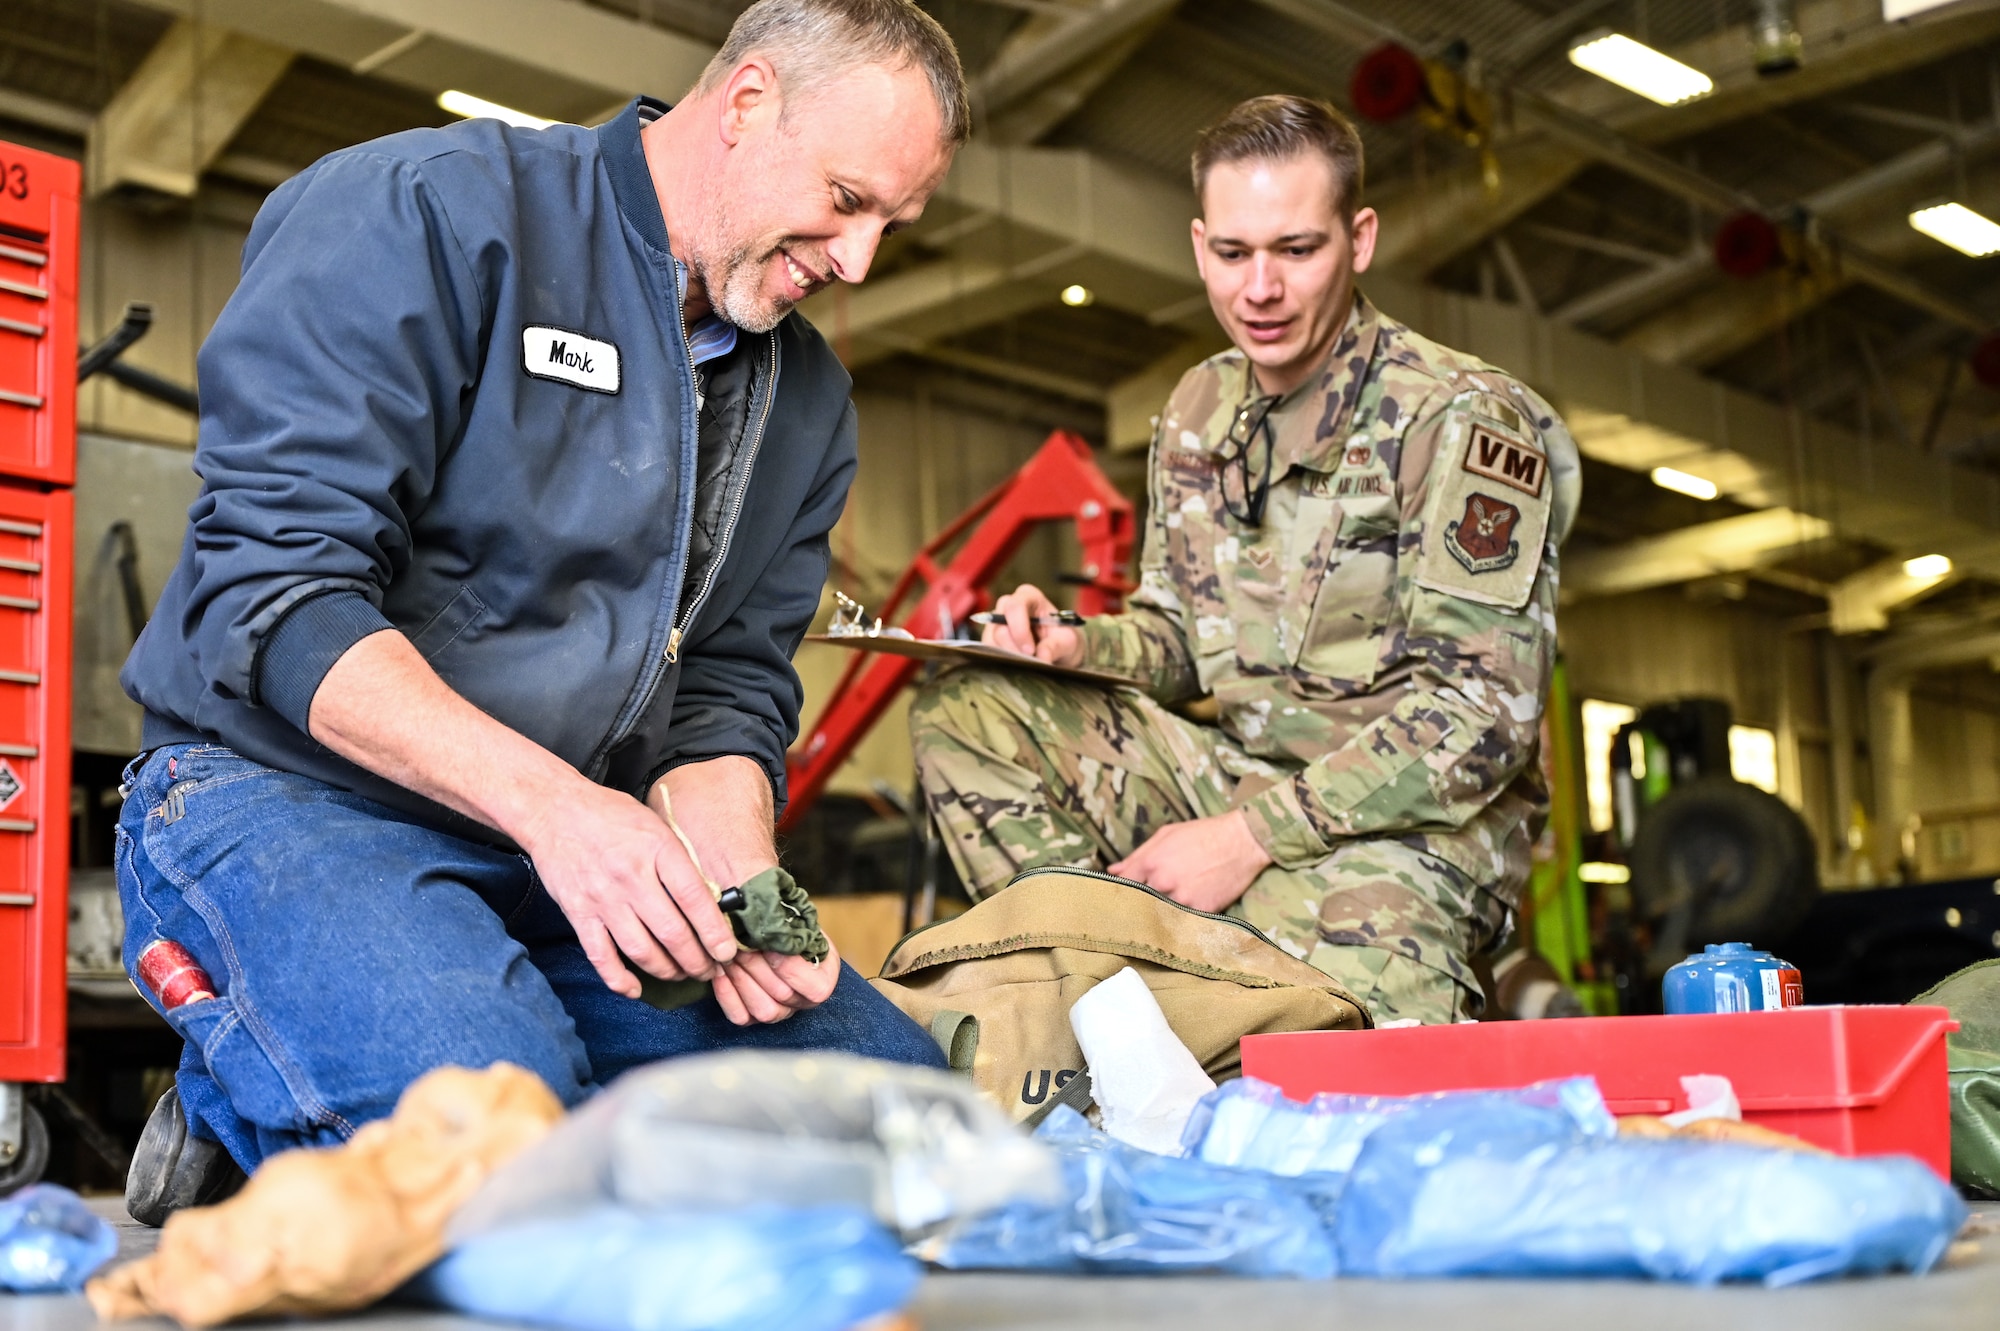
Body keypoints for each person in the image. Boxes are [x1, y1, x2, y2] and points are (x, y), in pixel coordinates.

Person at [114, 0, 967, 1208]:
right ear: (744, 105)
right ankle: (259, 1070)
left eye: (893, 220)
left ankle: (347, 1067)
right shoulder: (424, 213)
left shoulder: (806, 399)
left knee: (900, 1126)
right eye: (843, 197)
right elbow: (278, 590)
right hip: (294, 797)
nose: (859, 258)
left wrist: (739, 886)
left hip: (567, 849)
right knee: (500, 1158)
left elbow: (727, 690)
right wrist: (562, 813)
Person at [909, 94, 1580, 1026]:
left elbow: (1482, 721)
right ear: (1198, 246)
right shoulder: (1198, 408)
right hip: (1228, 780)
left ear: (1362, 238)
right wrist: (1073, 647)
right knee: (968, 709)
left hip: (1407, 830)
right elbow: (1179, 637)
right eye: (1232, 254)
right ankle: (1107, 1005)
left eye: (1296, 250)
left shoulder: (1457, 420)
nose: (1258, 289)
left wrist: (1247, 839)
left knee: (1345, 1075)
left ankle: (1187, 992)